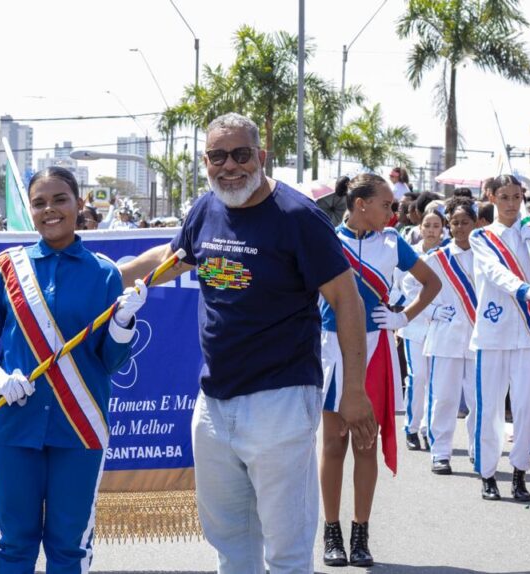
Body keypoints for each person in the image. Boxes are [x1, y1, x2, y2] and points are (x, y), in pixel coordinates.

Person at [119, 113, 377, 573]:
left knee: (286, 551)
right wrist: (108, 278)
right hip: (214, 404)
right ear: (206, 161)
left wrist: (355, 391)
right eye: (218, 156)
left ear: (261, 156)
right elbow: (171, 259)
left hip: (281, 401)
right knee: (231, 544)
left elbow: (347, 300)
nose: (230, 166)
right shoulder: (205, 209)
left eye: (241, 154)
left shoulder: (299, 217)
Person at [0, 167, 143, 573]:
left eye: (60, 199)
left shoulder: (104, 273)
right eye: (39, 202)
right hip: (14, 425)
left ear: (79, 204)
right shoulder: (6, 268)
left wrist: (121, 326)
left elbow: (111, 361)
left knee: (70, 546)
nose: (50, 210)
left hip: (80, 427)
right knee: (12, 543)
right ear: (30, 210)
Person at [319, 174, 440, 567]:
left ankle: (361, 533)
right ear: (361, 204)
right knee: (334, 443)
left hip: (375, 349)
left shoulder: (393, 243)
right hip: (331, 350)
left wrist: (402, 317)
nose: (394, 211)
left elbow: (431, 283)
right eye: (387, 205)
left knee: (365, 442)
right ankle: (332, 532)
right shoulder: (326, 241)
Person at [470, 174, 530, 501]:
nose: (511, 204)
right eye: (504, 197)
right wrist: (525, 289)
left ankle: (520, 470)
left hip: (528, 334)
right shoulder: (481, 237)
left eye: (516, 197)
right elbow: (496, 274)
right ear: (492, 198)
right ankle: (487, 473)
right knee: (490, 408)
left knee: (525, 406)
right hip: (492, 333)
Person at [422, 196, 479, 474]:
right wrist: (432, 310)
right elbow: (411, 288)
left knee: (480, 401)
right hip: (446, 338)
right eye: (454, 222)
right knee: (443, 398)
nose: (459, 227)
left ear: (475, 223)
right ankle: (440, 453)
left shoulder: (486, 257)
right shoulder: (436, 259)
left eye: (464, 222)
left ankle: (479, 451)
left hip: (479, 338)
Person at [396, 201, 447, 451]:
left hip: (440, 326)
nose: (431, 230)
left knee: (436, 381)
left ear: (442, 229)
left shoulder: (448, 255)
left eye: (436, 226)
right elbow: (407, 290)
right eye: (427, 225)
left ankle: (429, 429)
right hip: (415, 324)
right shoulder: (410, 253)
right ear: (420, 226)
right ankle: (412, 428)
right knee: (418, 377)